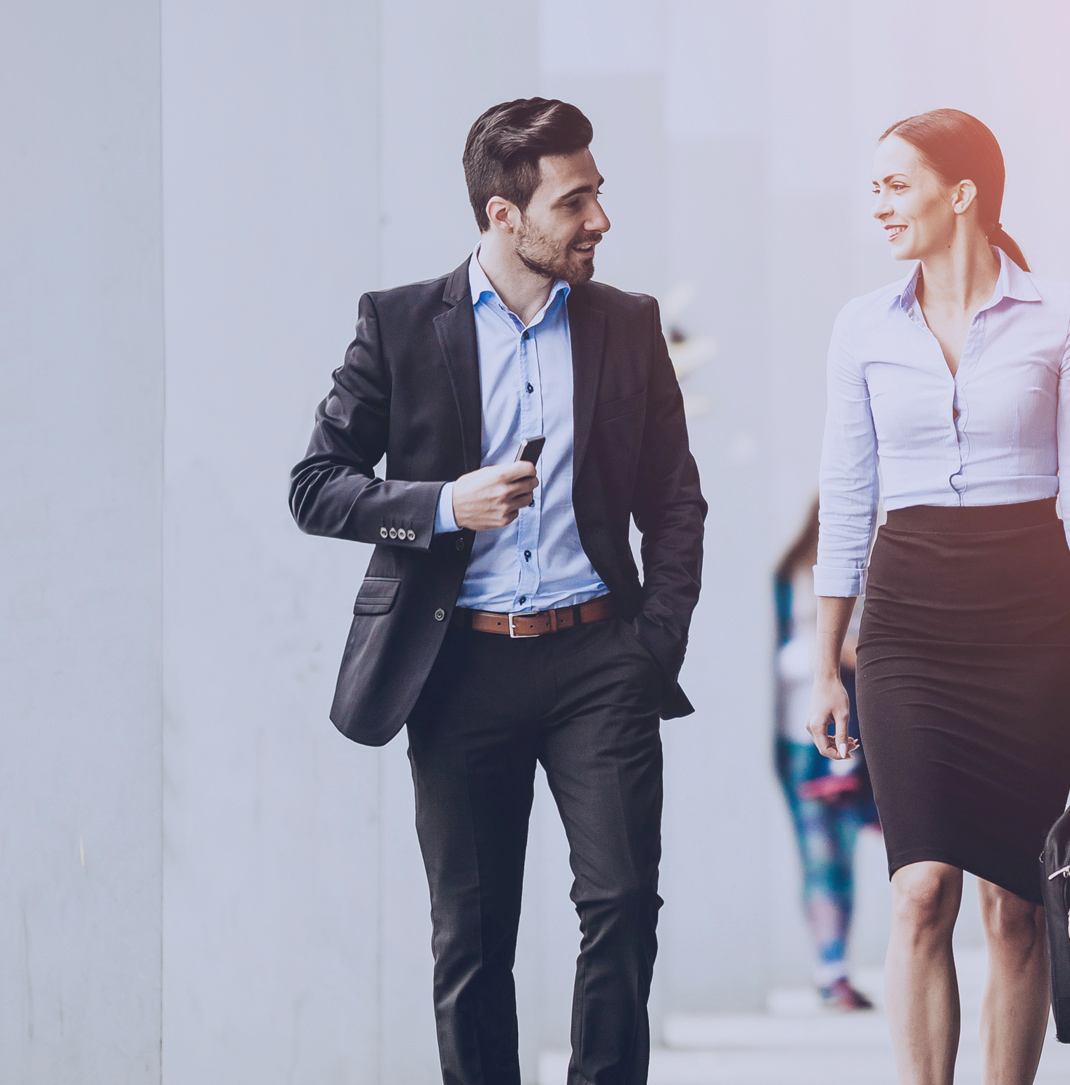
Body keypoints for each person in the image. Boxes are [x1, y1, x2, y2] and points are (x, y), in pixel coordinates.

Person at [289, 99, 706, 1085]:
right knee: (473, 933)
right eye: (575, 201)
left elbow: (674, 500)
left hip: (599, 657)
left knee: (621, 902)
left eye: (598, 193)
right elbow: (316, 486)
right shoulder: (398, 324)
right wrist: (444, 504)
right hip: (458, 664)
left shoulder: (627, 325)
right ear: (502, 214)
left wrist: (653, 641)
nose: (599, 218)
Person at [807, 109, 1070, 1085]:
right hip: (907, 624)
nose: (879, 206)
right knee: (920, 889)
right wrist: (828, 664)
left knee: (1015, 905)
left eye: (895, 185)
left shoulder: (1061, 315)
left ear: (961, 194)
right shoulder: (860, 327)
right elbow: (846, 497)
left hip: (1028, 626)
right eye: (873, 187)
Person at [773, 503, 878, 1010]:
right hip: (802, 742)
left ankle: (836, 969)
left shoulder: (874, 567)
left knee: (845, 855)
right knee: (820, 857)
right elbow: (783, 658)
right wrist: (837, 655)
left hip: (856, 741)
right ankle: (830, 968)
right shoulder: (792, 577)